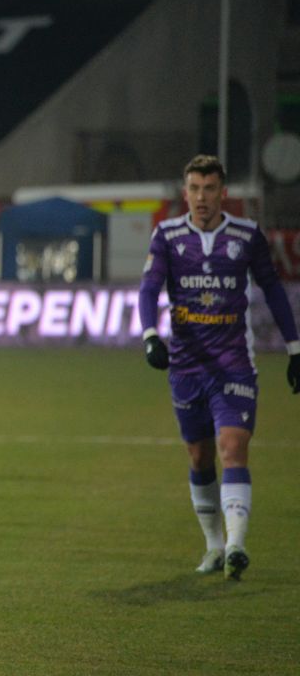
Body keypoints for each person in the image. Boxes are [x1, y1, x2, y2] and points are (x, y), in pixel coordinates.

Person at [139, 155, 300, 580]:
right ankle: (213, 546)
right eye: (194, 188)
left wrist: (295, 348)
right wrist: (150, 335)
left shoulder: (246, 236)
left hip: (234, 365)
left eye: (210, 189)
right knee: (199, 456)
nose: (202, 198)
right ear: (185, 191)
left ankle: (235, 546)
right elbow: (149, 287)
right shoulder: (168, 235)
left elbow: (273, 290)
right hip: (187, 367)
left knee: (233, 447)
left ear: (223, 192)